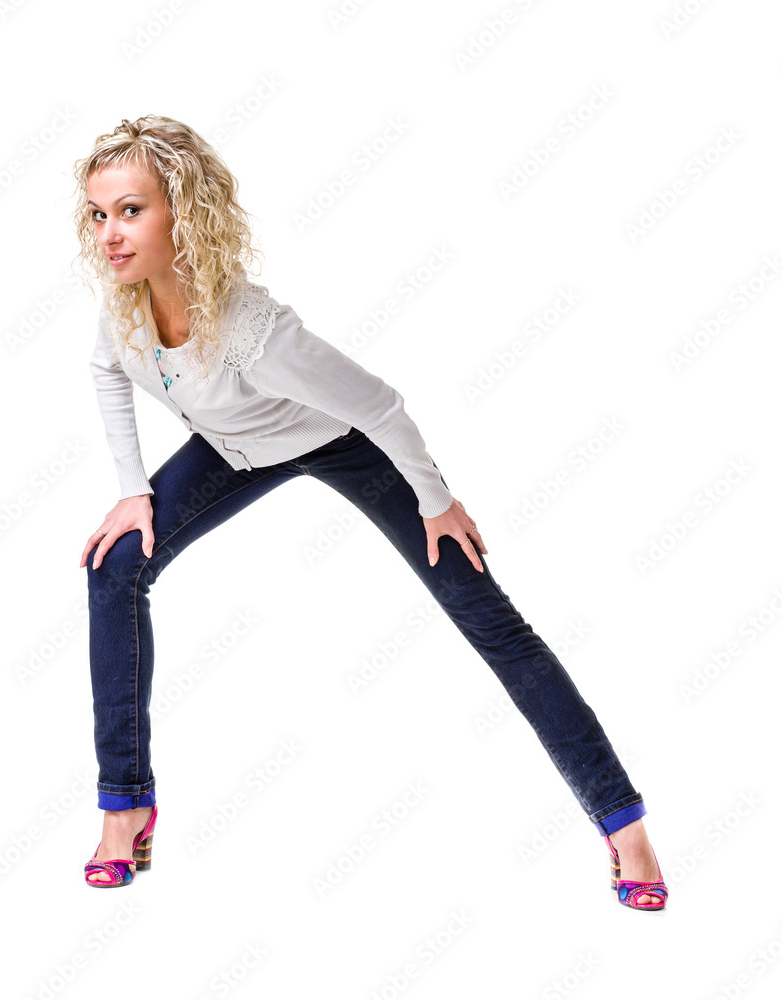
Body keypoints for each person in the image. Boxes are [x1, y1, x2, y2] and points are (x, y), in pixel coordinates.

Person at [71, 115, 667, 910]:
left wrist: (437, 503)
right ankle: (126, 806)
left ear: (183, 212)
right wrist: (132, 488)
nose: (110, 234)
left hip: (346, 444)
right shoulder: (125, 304)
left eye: (131, 211)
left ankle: (623, 824)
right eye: (99, 214)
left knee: (486, 616)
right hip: (233, 447)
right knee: (114, 566)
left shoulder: (255, 332)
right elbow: (106, 370)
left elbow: (382, 408)